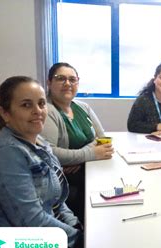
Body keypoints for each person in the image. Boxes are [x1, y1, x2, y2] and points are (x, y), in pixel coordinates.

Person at [0, 76, 83, 248]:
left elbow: (57, 202)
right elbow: (31, 221)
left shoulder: (38, 142)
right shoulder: (7, 154)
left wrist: (76, 227)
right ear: (6, 113)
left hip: (53, 236)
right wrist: (80, 240)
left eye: (41, 104)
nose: (38, 111)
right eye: (26, 105)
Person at [41, 62, 114, 221]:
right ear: (49, 82)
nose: (68, 83)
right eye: (61, 78)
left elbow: (103, 140)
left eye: (72, 79)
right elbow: (50, 153)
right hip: (67, 180)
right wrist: (91, 153)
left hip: (86, 167)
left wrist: (82, 156)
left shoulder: (83, 107)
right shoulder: (46, 111)